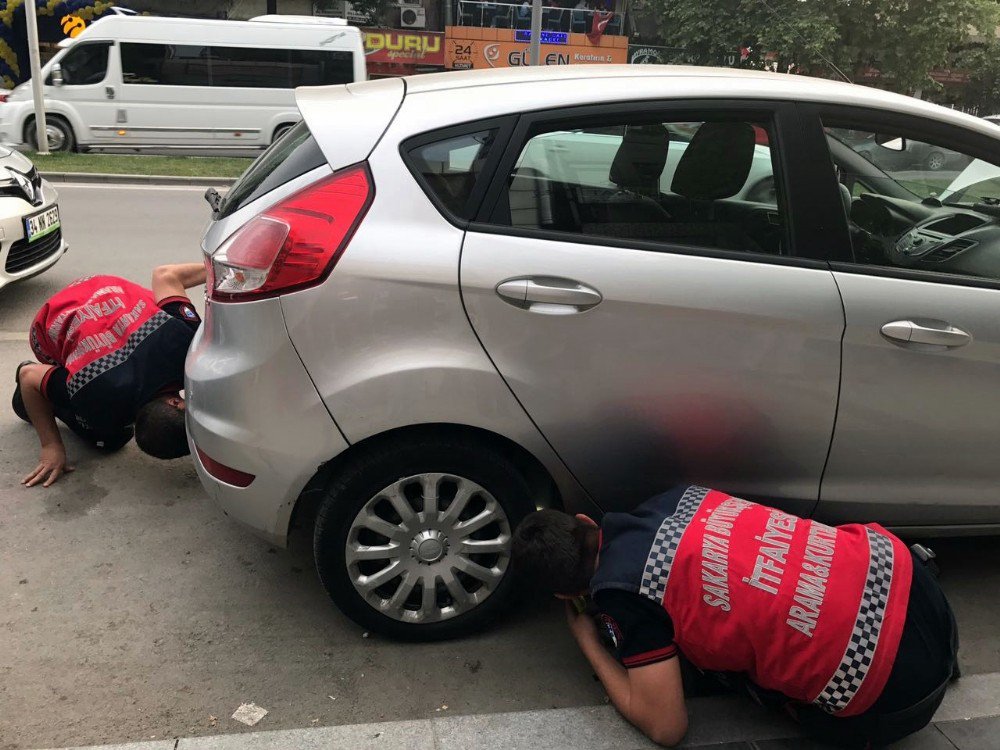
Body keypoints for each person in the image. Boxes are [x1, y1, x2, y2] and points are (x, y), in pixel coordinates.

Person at [512, 485, 958, 748]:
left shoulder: (626, 593)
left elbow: (668, 728)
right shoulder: (680, 496)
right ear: (586, 520)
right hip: (915, 585)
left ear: (565, 593)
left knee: (721, 669)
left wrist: (586, 636)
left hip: (894, 697)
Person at [13, 263, 206, 488]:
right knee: (109, 438)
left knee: (101, 423)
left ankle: (47, 392)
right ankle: (40, 397)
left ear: (176, 402)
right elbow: (28, 375)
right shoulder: (97, 404)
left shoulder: (188, 346)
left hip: (100, 286)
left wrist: (228, 271)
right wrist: (51, 447)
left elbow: (165, 275)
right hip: (50, 321)